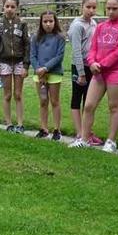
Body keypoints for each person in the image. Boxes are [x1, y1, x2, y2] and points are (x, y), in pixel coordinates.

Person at [70, 0, 118, 152]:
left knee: (114, 107)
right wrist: (91, 63)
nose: (110, 12)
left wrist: (102, 64)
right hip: (98, 73)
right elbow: (93, 49)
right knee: (89, 105)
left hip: (116, 72)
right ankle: (84, 139)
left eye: (114, 9)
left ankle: (111, 141)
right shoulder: (100, 26)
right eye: (108, 8)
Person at [67, 0, 104, 146]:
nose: (91, 10)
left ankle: (87, 132)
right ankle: (80, 133)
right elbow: (76, 50)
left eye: (94, 7)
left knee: (89, 102)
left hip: (92, 66)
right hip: (79, 66)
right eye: (88, 7)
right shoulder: (77, 25)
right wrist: (81, 73)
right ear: (81, 6)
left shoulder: (94, 24)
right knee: (77, 99)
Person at [0, 0, 30, 133]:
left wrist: (26, 66)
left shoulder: (22, 24)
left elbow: (27, 45)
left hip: (19, 62)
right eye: (7, 6)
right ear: (3, 8)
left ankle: (20, 124)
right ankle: (8, 123)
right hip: (4, 63)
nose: (9, 9)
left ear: (17, 8)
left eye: (13, 7)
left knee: (18, 94)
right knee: (7, 95)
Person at [30, 11, 65, 140]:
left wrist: (46, 68)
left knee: (55, 101)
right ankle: (44, 128)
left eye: (51, 21)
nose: (48, 24)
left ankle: (57, 129)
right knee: (43, 101)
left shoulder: (60, 37)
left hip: (54, 73)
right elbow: (32, 55)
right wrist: (39, 69)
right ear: (41, 22)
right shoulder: (35, 37)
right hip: (39, 75)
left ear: (55, 22)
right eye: (45, 21)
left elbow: (59, 56)